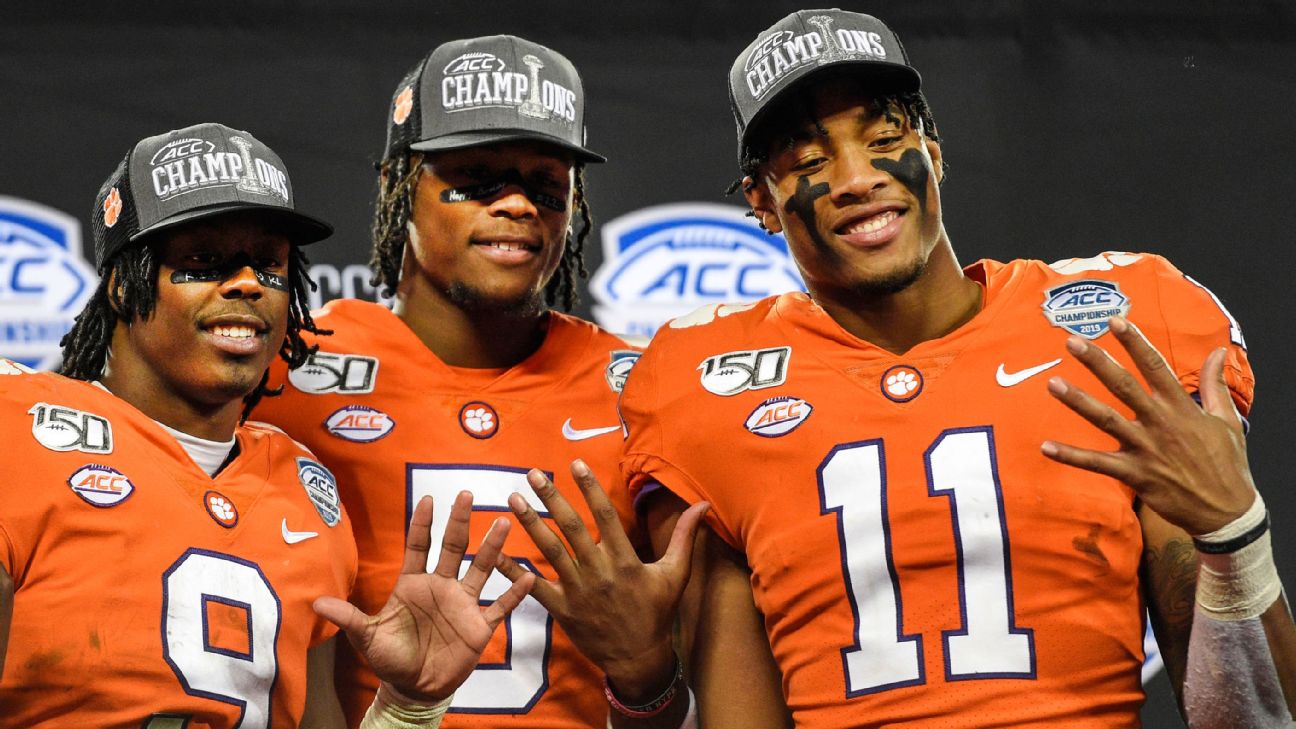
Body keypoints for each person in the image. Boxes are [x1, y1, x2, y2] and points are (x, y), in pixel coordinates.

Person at [504, 10, 1295, 727]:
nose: (856, 178)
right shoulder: (700, 388)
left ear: (935, 155)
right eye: (809, 158)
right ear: (762, 203)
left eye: (885, 141)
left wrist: (1235, 533)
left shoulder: (1122, 323)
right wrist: (646, 683)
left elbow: (1248, 719)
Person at [0, 122, 533, 728]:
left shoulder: (306, 491)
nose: (249, 283)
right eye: (204, 261)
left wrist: (408, 710)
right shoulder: (15, 429)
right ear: (124, 284)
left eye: (269, 264)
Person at [251, 35, 700, 728]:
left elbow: (706, 698)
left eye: (546, 187)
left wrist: (645, 676)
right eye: (479, 179)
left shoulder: (640, 387)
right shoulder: (286, 371)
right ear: (396, 186)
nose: (518, 205)